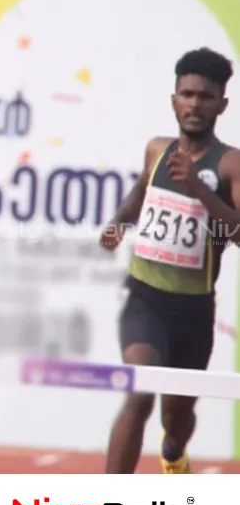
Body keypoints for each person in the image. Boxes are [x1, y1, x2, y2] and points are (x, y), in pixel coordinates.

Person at [99, 47, 240, 474]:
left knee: (175, 420)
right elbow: (140, 195)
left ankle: (174, 453)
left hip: (193, 312)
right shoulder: (157, 150)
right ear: (174, 99)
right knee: (139, 391)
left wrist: (200, 188)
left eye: (205, 96)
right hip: (144, 300)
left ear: (222, 105)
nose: (195, 104)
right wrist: (120, 221)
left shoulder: (230, 164)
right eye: (187, 94)